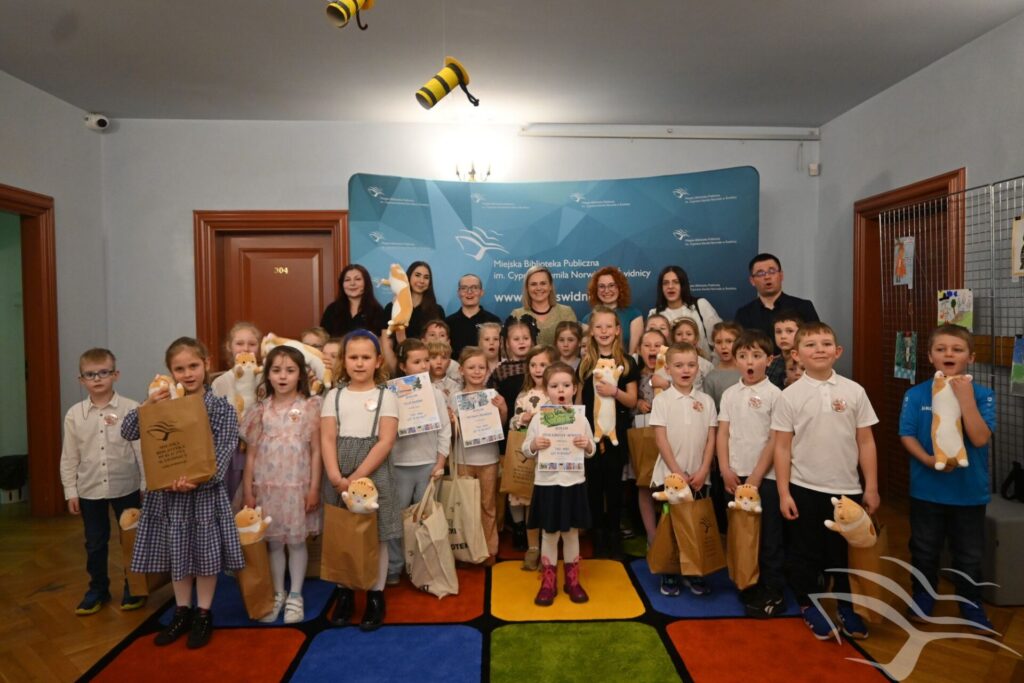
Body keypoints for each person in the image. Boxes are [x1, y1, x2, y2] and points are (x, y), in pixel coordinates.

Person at [121, 337, 244, 649]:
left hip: (204, 495)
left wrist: (198, 480)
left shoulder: (221, 408)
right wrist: (149, 404)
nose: (188, 374)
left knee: (205, 556)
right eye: (180, 369)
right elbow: (128, 430)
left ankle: (203, 613)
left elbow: (224, 450)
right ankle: (182, 610)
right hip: (168, 496)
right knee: (178, 552)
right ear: (169, 372)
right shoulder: (161, 405)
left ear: (206, 364)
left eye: (193, 366)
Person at [773, 322, 879, 641]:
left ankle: (847, 607)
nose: (819, 349)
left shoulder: (854, 391)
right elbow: (781, 447)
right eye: (810, 345)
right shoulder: (789, 396)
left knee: (843, 554)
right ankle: (810, 604)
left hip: (847, 490)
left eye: (826, 343)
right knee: (806, 552)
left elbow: (866, 442)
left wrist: (871, 486)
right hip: (804, 488)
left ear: (838, 351)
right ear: (796, 355)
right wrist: (783, 492)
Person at [898, 324, 996, 631]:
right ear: (930, 356)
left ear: (971, 357)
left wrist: (965, 399)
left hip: (968, 492)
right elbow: (906, 434)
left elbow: (979, 438)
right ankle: (923, 596)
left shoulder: (983, 395)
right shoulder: (915, 394)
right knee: (924, 548)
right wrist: (928, 460)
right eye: (941, 349)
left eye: (957, 349)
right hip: (927, 490)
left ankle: (970, 602)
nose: (948, 354)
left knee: (969, 554)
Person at [320, 330, 399, 631]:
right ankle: (345, 592)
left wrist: (356, 477)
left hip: (372, 473)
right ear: (344, 360)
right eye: (353, 357)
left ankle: (376, 595)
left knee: (376, 535)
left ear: (378, 361)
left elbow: (385, 441)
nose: (359, 363)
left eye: (366, 357)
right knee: (343, 532)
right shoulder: (334, 396)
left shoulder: (386, 396)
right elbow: (328, 437)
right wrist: (334, 475)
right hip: (338, 473)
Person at [240, 346, 322, 623]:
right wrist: (248, 490)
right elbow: (251, 455)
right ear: (267, 375)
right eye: (276, 370)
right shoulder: (260, 411)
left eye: (290, 370)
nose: (283, 376)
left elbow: (316, 451)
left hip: (298, 488)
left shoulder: (310, 407)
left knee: (297, 542)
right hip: (268, 489)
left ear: (301, 375)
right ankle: (278, 593)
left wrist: (314, 488)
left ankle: (296, 595)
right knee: (274, 543)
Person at [61, 348, 145, 616]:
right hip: (90, 489)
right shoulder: (74, 415)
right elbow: (69, 456)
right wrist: (70, 490)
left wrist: (145, 484)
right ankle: (98, 589)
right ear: (81, 380)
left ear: (115, 375)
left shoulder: (131, 408)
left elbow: (141, 450)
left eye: (103, 373)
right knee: (95, 542)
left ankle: (135, 586)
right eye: (90, 374)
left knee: (131, 538)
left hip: (126, 486)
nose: (97, 379)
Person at [715, 330, 785, 617]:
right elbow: (723, 433)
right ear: (736, 361)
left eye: (756, 356)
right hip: (735, 476)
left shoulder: (775, 395)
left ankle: (773, 589)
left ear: (769, 360)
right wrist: (724, 469)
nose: (749, 362)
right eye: (743, 356)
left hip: (765, 478)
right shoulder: (730, 394)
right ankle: (747, 583)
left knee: (768, 536)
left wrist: (755, 477)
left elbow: (775, 440)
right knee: (741, 534)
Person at [523, 362, 596, 605]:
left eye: (566, 385)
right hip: (547, 484)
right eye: (554, 386)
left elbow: (592, 450)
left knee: (571, 532)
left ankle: (572, 581)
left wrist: (586, 445)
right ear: (547, 390)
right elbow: (526, 449)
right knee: (549, 533)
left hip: (573, 482)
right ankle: (548, 582)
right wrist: (534, 445)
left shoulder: (580, 419)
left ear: (574, 388)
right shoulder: (538, 420)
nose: (561, 390)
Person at [650, 342, 718, 597]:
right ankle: (670, 571)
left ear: (698, 368)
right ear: (668, 369)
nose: (685, 370)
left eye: (691, 365)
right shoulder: (662, 401)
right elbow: (660, 439)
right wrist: (677, 472)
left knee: (694, 524)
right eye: (679, 365)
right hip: (670, 476)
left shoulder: (706, 401)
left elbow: (711, 439)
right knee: (670, 525)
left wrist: (703, 470)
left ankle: (694, 570)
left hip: (699, 476)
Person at [384, 339, 451, 585]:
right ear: (403, 366)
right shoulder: (389, 394)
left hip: (428, 464)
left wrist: (440, 461)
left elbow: (444, 430)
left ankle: (424, 567)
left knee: (426, 520)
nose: (424, 365)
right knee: (395, 519)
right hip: (399, 465)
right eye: (416, 361)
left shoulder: (435, 394)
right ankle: (394, 566)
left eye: (426, 360)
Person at [576, 305, 639, 559]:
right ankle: (598, 535)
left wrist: (615, 392)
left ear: (617, 330)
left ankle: (614, 534)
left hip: (616, 437)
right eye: (598, 327)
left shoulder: (627, 362)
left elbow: (632, 400)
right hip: (590, 437)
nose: (603, 331)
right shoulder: (585, 363)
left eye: (608, 326)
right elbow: (579, 403)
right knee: (593, 486)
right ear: (591, 331)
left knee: (614, 487)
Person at [450, 346, 508, 564]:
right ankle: (465, 550)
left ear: (487, 370)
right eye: (471, 367)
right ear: (461, 370)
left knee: (487, 505)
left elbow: (500, 426)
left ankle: (490, 550)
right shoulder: (455, 398)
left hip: (488, 459)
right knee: (465, 507)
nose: (476, 371)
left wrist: (503, 409)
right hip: (463, 459)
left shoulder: (493, 396)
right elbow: (451, 433)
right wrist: (452, 420)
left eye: (481, 367)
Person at [509, 344, 556, 569]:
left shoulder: (557, 393)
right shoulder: (524, 396)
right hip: (530, 459)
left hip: (553, 458)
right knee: (530, 503)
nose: (538, 369)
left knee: (550, 502)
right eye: (533, 365)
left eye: (543, 365)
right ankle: (533, 547)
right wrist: (521, 420)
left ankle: (550, 546)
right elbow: (513, 424)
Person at [211, 322, 264, 504]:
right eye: (239, 343)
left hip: (262, 449)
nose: (246, 348)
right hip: (233, 451)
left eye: (252, 344)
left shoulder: (265, 377)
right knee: (235, 497)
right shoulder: (220, 382)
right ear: (229, 347)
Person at [632, 329, 671, 544]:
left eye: (658, 345)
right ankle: (652, 535)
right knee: (645, 484)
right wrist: (638, 403)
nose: (652, 349)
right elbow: (628, 403)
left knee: (669, 485)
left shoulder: (672, 373)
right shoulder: (636, 375)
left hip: (670, 437)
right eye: (647, 345)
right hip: (644, 435)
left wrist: (667, 385)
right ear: (639, 350)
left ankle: (668, 534)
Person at [734, 254, 819, 348]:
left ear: (781, 275)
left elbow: (815, 341)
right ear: (752, 281)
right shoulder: (744, 313)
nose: (767, 277)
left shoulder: (803, 307)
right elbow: (740, 347)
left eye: (772, 271)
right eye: (760, 273)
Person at [648, 265, 722, 358]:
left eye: (676, 282)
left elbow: (719, 338)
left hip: (704, 364)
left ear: (683, 285)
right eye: (666, 283)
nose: (670, 286)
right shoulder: (655, 313)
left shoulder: (700, 305)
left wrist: (713, 365)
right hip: (670, 365)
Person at [511, 266, 577, 347]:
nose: (538, 288)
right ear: (527, 288)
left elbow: (575, 346)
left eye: (543, 283)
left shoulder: (566, 313)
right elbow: (508, 348)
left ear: (550, 286)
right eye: (533, 284)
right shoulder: (517, 315)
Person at [584, 266, 644, 353]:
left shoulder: (634, 315)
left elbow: (634, 355)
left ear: (620, 288)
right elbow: (588, 352)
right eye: (601, 286)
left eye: (611, 285)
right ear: (596, 290)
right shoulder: (587, 320)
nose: (606, 290)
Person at [382, 261, 445, 341]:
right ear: (408, 277)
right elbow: (386, 341)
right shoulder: (391, 307)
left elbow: (440, 343)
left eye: (426, 277)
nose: (421, 281)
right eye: (417, 275)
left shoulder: (438, 311)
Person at [319, 264, 387, 338]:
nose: (352, 283)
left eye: (357, 279)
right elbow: (322, 338)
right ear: (342, 284)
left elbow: (382, 341)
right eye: (347, 280)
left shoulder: (377, 311)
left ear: (366, 283)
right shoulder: (332, 309)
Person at [445, 273, 501, 358]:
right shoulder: (448, 323)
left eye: (474, 287)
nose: (469, 292)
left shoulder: (493, 321)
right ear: (458, 293)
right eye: (464, 288)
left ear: (481, 292)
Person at [702, 321, 744, 410]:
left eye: (729, 341)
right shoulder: (711, 378)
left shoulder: (749, 371)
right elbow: (709, 411)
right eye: (718, 342)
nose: (723, 346)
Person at [671, 318, 714, 391]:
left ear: (696, 339)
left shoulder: (705, 365)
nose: (684, 337)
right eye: (679, 334)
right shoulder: (667, 362)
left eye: (689, 334)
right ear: (673, 338)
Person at [766, 312, 802, 389]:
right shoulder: (771, 363)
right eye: (778, 332)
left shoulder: (806, 362)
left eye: (789, 331)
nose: (783, 336)